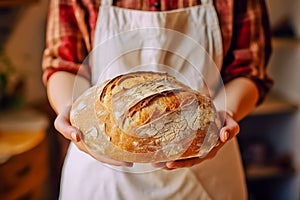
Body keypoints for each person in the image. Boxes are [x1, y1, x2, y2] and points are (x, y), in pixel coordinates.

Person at [42, 0, 273, 199]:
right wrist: (72, 110)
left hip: (206, 169)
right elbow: (64, 63)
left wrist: (225, 114)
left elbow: (249, 70)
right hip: (102, 175)